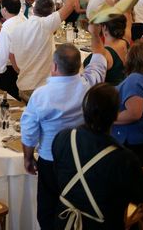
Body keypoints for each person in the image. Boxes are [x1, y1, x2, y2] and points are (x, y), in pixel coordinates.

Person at [20, 29, 107, 230]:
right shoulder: (88, 86)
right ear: (79, 67)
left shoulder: (42, 95)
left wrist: (27, 158)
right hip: (81, 159)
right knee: (76, 207)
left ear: (54, 66)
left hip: (50, 159)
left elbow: (29, 130)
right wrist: (95, 34)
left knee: (48, 210)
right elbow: (99, 61)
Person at [52, 84, 143, 229]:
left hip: (63, 223)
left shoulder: (63, 138)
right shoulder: (125, 159)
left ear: (84, 109)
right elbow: (139, 197)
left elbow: (58, 175)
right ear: (116, 116)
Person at [11, 0, 83, 102]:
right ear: (51, 14)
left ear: (34, 9)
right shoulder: (45, 25)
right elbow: (70, 5)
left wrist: (23, 71)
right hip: (39, 87)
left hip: (23, 84)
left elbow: (11, 55)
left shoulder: (18, 28)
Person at [112, 40, 143, 165]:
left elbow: (134, 113)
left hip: (132, 142)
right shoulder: (140, 78)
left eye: (127, 53)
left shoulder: (135, 79)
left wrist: (107, 118)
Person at [0, 0, 25, 100]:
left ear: (4, 9)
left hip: (9, 69)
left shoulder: (6, 27)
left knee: (8, 100)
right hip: (24, 65)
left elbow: (3, 52)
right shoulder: (24, 20)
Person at [83, 16, 129, 86]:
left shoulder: (104, 53)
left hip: (107, 94)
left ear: (104, 28)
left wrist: (94, 33)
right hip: (122, 90)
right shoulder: (125, 42)